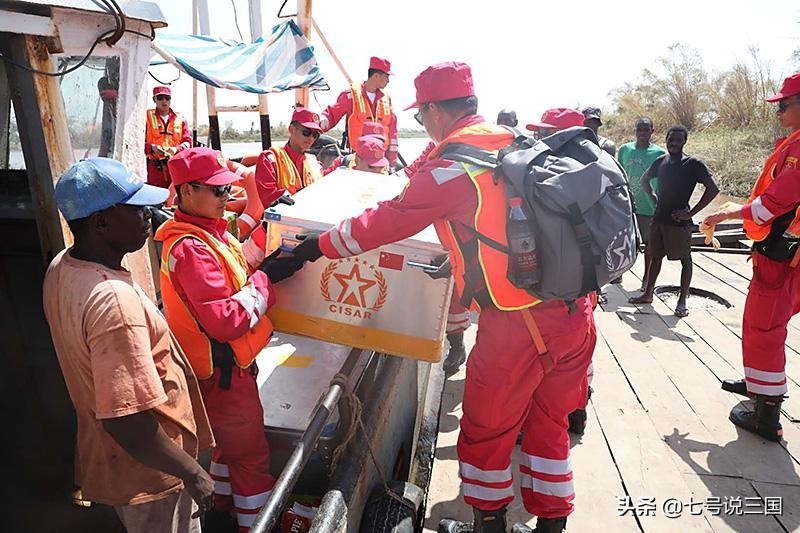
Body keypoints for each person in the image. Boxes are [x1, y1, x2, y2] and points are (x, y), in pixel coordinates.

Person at [291, 61, 595, 533]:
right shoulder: (516, 144)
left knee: (487, 432)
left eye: (420, 116)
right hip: (576, 314)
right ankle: (550, 526)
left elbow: (387, 220)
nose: (421, 124)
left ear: (434, 111)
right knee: (550, 422)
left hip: (519, 325)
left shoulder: (452, 167)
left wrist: (314, 247)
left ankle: (488, 527)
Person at [43, 158, 214, 533]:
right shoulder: (113, 302)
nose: (149, 216)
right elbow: (127, 421)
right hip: (151, 475)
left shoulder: (63, 266)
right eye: (136, 210)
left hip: (114, 461)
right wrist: (193, 473)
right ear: (101, 222)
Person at [155, 148, 304, 532]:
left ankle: (221, 508)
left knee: (226, 451)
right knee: (251, 457)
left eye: (227, 190)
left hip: (221, 374)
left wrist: (273, 229)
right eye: (218, 191)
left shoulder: (206, 235)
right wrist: (266, 280)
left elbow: (238, 265)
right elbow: (225, 320)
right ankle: (257, 523)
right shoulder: (190, 249)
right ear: (186, 192)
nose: (226, 197)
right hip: (226, 376)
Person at [703, 72, 800, 442]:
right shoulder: (791, 145)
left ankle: (766, 413)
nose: (779, 110)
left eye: (785, 104)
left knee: (765, 328)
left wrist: (724, 214)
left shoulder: (798, 151)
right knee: (762, 324)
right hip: (782, 255)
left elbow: (773, 204)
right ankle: (760, 384)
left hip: (781, 257)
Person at [629, 126, 719, 317]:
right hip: (659, 218)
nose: (674, 144)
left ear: (684, 142)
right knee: (655, 256)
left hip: (679, 221)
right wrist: (654, 198)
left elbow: (712, 189)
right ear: (666, 140)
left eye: (678, 140)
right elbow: (645, 180)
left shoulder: (693, 164)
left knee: (685, 259)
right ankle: (648, 293)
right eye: (671, 140)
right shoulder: (661, 161)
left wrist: (691, 213)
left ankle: (682, 300)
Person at [617, 117, 668, 291]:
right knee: (625, 241)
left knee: (650, 246)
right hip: (628, 206)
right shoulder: (625, 150)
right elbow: (619, 174)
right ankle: (619, 272)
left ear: (652, 132)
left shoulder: (659, 153)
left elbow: (664, 179)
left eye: (646, 130)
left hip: (649, 207)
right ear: (635, 131)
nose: (642, 133)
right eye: (639, 129)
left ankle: (646, 278)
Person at [320, 56, 398, 166]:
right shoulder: (350, 96)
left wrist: (392, 159)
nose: (388, 81)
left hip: (380, 160)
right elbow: (332, 114)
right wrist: (319, 122)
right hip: (358, 159)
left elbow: (392, 132)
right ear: (376, 76)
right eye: (386, 77)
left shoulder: (387, 100)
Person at [254, 107, 324, 207]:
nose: (311, 138)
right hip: (284, 220)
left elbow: (325, 182)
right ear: (292, 129)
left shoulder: (314, 162)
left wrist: (341, 162)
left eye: (315, 135)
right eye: (307, 132)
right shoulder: (269, 160)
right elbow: (268, 197)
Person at [144, 86, 192, 188]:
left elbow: (188, 142)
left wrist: (176, 149)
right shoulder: (145, 117)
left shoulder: (181, 119)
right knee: (156, 197)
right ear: (154, 100)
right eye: (160, 98)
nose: (164, 101)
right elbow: (137, 143)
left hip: (176, 166)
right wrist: (152, 148)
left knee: (175, 197)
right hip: (155, 168)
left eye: (167, 98)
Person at [322, 122, 389, 175]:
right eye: (371, 167)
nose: (377, 173)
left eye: (381, 167)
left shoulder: (387, 177)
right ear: (357, 161)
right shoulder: (343, 163)